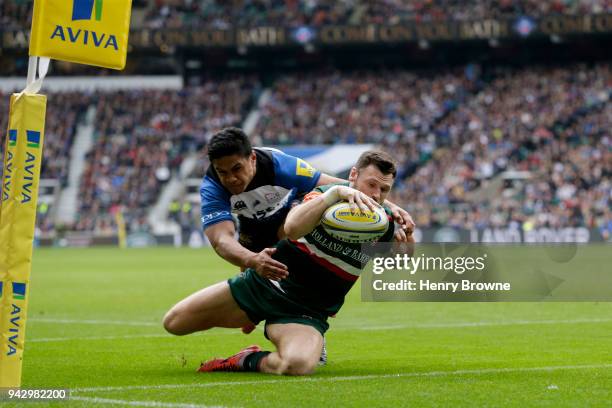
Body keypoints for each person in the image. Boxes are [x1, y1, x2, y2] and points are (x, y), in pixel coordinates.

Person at [163, 150, 412, 375]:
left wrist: (407, 238)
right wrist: (335, 193)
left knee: (297, 365)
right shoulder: (323, 196)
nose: (376, 195)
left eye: (385, 190)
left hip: (306, 312)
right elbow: (292, 228)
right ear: (353, 175)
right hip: (263, 285)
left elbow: (399, 265)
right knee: (174, 323)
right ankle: (252, 318)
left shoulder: (384, 221)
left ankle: (245, 360)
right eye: (371, 185)